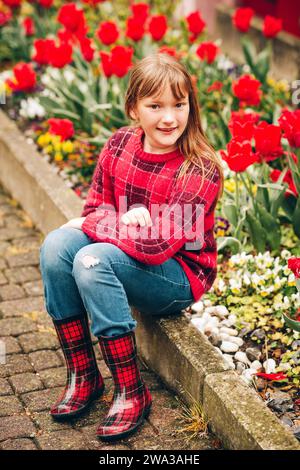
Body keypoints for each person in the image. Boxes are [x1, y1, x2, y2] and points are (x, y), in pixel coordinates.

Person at [39, 52, 224, 442]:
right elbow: (97, 206)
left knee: (91, 259)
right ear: (134, 109)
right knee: (56, 246)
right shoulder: (120, 145)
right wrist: (119, 220)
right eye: (155, 106)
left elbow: (159, 244)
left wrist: (99, 224)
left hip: (178, 276)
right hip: (125, 254)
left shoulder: (199, 169)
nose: (169, 118)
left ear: (191, 106)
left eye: (179, 104)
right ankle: (84, 375)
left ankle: (131, 391)